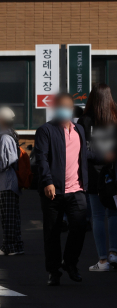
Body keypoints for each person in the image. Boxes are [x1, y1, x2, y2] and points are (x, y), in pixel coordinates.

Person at [34, 92, 107, 286]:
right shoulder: (46, 130)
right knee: (52, 233)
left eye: (67, 106)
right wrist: (47, 181)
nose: (63, 110)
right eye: (60, 106)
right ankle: (53, 270)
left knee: (79, 227)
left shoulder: (79, 130)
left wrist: (106, 156)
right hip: (53, 191)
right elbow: (41, 158)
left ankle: (70, 262)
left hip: (77, 190)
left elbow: (85, 153)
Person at [77, 84, 117, 271]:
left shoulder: (84, 121)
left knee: (98, 217)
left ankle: (102, 261)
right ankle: (113, 253)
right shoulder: (115, 119)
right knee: (114, 213)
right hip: (114, 173)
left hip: (94, 174)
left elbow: (80, 150)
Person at [0, 106, 24, 256]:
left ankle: (9, 247)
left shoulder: (5, 137)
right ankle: (17, 245)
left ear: (2, 120)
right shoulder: (11, 136)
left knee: (7, 216)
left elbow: (4, 163)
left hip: (7, 182)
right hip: (12, 181)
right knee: (13, 216)